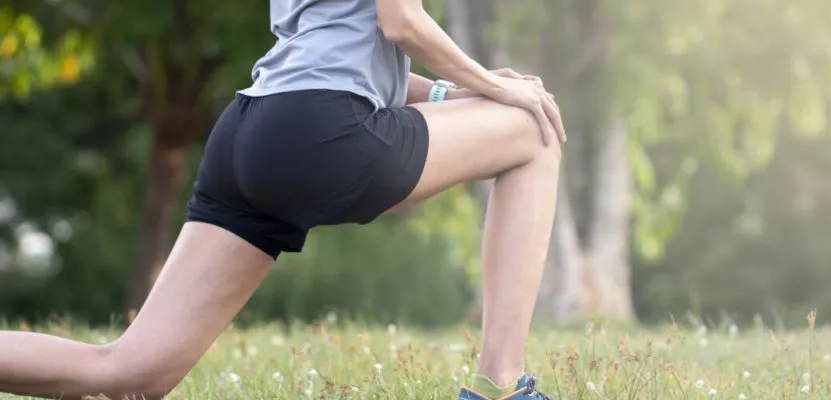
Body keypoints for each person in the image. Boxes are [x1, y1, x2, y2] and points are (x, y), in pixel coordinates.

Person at [0, 0, 566, 398]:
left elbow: (340, 49)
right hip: (319, 129)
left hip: (248, 130)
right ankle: (501, 389)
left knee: (129, 373)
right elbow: (401, 22)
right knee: (533, 128)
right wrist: (498, 88)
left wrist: (451, 90)